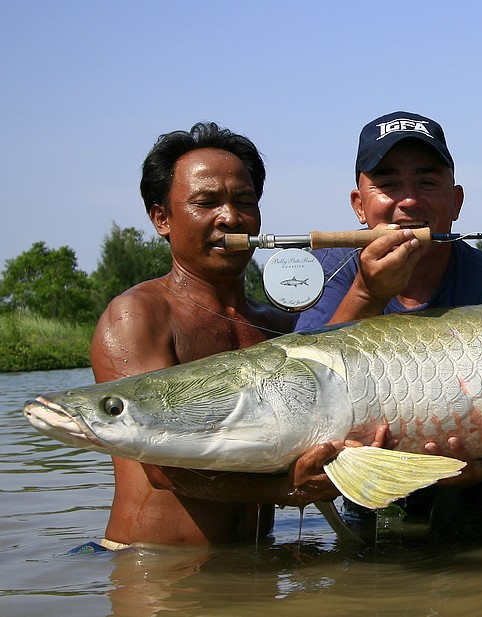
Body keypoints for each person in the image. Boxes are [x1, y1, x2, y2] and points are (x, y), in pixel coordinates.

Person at [91, 122, 353, 548]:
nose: (230, 217)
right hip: (155, 570)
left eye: (244, 201)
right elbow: (163, 465)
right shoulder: (137, 316)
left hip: (258, 564)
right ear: (162, 218)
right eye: (206, 202)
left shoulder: (280, 326)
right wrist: (287, 490)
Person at [295, 111, 482, 540]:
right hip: (361, 486)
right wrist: (367, 293)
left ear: (455, 202)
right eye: (387, 184)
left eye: (427, 182)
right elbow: (300, 384)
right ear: (358, 204)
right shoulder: (329, 271)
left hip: (467, 487)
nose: (408, 201)